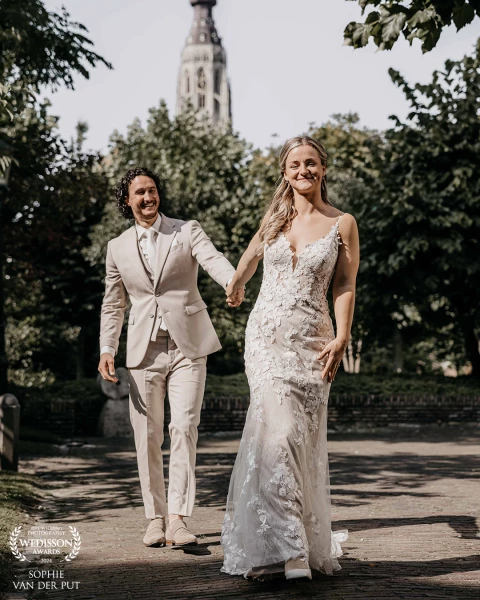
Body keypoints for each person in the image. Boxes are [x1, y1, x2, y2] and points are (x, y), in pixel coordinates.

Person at [221, 136, 359, 580]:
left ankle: (268, 553)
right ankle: (289, 552)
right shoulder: (275, 218)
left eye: (312, 163)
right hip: (265, 340)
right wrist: (237, 283)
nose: (304, 170)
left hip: (313, 344)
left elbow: (344, 284)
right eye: (295, 164)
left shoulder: (343, 223)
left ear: (323, 169)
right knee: (275, 437)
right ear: (285, 172)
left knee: (299, 443)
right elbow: (251, 255)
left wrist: (342, 336)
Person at [98, 167, 243, 548]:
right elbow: (113, 304)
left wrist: (233, 282)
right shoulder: (117, 247)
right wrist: (107, 348)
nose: (148, 198)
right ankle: (155, 518)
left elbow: (213, 259)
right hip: (142, 353)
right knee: (147, 436)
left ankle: (178, 519)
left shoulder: (186, 230)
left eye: (153, 190)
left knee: (184, 428)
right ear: (127, 201)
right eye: (140, 193)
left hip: (187, 348)